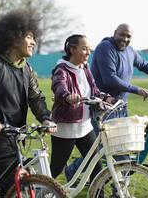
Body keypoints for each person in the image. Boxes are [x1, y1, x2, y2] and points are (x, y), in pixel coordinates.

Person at [65, 23, 148, 178]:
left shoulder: (130, 51)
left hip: (120, 107)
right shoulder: (105, 48)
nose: (124, 39)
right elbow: (110, 78)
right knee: (115, 151)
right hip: (103, 108)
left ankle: (73, 171)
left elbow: (144, 65)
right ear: (114, 33)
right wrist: (137, 90)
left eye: (128, 36)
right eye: (122, 34)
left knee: (104, 149)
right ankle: (118, 191)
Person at [0, 9, 57, 198]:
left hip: (13, 132)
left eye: (34, 38)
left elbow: (35, 97)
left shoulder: (26, 68)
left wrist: (46, 119)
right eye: (29, 37)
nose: (34, 42)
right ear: (14, 38)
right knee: (12, 183)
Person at [50, 34, 114, 184]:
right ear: (72, 50)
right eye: (84, 49)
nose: (88, 53)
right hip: (66, 128)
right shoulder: (62, 70)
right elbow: (59, 87)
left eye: (89, 49)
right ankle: (35, 187)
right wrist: (67, 96)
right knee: (56, 169)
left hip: (85, 126)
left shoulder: (85, 68)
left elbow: (94, 92)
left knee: (96, 168)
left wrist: (107, 98)